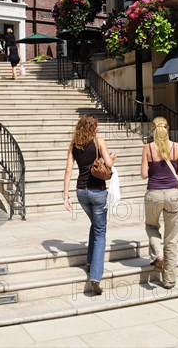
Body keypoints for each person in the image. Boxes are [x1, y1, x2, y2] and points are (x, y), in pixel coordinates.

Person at [63, 114, 115, 295]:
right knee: (101, 232)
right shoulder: (99, 141)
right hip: (98, 191)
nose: (98, 128)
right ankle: (95, 277)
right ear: (92, 128)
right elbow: (108, 164)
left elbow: (68, 170)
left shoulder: (73, 145)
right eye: (96, 126)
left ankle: (90, 261)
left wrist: (65, 196)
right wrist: (112, 159)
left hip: (81, 192)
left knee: (95, 224)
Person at [141, 116, 178, 289]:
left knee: (151, 226)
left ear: (153, 129)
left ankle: (157, 255)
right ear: (167, 128)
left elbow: (144, 174)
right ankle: (169, 280)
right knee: (171, 238)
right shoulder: (176, 147)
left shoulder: (148, 148)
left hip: (153, 194)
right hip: (173, 194)